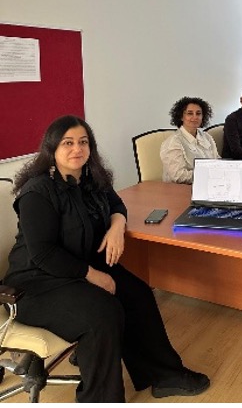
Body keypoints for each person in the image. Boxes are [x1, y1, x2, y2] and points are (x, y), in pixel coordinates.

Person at [4, 115, 210, 403]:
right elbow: (44, 253)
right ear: (52, 148)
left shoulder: (91, 178)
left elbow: (117, 204)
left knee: (137, 293)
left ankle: (163, 375)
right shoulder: (38, 191)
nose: (77, 149)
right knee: (103, 314)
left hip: (80, 268)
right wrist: (92, 275)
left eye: (83, 142)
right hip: (36, 283)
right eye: (68, 143)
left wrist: (116, 226)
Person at [160, 96, 219, 183]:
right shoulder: (174, 142)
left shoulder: (207, 137)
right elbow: (177, 176)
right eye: (190, 113)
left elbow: (217, 161)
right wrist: (207, 174)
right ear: (181, 117)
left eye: (198, 113)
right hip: (180, 188)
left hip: (208, 184)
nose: (195, 117)